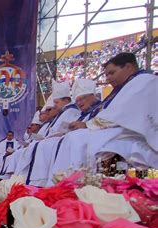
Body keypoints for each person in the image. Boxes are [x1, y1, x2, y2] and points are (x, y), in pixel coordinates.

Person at [48, 52, 158, 185]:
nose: (108, 78)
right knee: (77, 138)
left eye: (112, 73)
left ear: (128, 67)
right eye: (106, 74)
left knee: (82, 140)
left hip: (138, 134)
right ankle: (72, 183)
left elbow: (122, 113)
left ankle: (86, 183)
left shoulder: (143, 80)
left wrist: (88, 125)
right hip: (126, 129)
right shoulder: (128, 84)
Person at [25, 79, 101, 186]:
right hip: (71, 137)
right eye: (78, 99)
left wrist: (86, 125)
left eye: (83, 98)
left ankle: (71, 181)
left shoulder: (93, 108)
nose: (79, 102)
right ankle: (43, 180)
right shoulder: (80, 112)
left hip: (90, 137)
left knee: (67, 140)